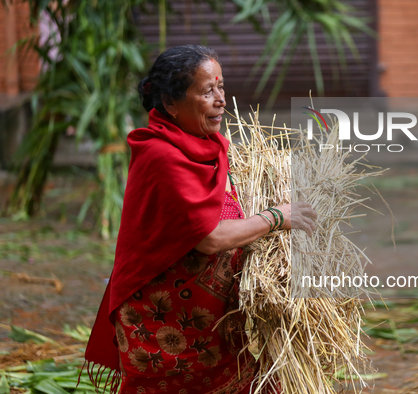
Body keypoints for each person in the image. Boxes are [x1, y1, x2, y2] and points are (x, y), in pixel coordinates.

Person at [84, 45, 317, 394]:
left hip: (213, 321)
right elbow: (208, 237)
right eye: (207, 91)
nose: (221, 99)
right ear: (171, 103)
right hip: (168, 322)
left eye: (221, 87)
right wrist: (276, 217)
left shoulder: (210, 146)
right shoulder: (161, 154)